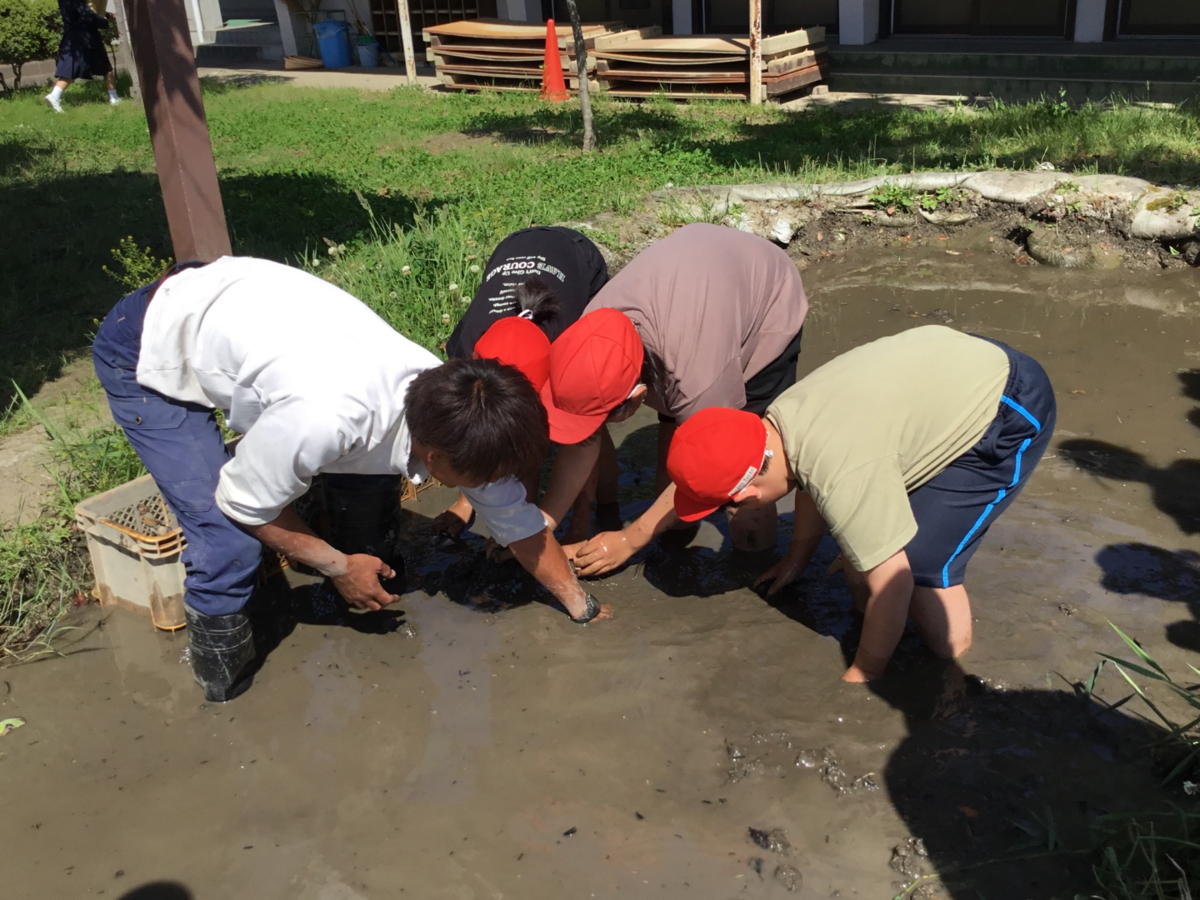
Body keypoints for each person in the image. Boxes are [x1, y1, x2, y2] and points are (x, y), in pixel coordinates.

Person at [92, 257, 599, 703]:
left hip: (241, 308)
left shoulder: (454, 403)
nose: (489, 488)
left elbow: (518, 520)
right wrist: (335, 566)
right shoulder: (325, 418)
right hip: (151, 340)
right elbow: (241, 504)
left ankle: (333, 535)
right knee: (226, 542)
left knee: (366, 501)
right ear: (436, 456)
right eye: (481, 480)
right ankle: (223, 691)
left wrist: (582, 609)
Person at [663, 325, 1056, 682]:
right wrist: (798, 558)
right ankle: (884, 632)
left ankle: (955, 665)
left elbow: (894, 584)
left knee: (920, 566)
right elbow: (810, 479)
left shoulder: (841, 471)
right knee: (861, 542)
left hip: (1010, 404)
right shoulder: (781, 424)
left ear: (746, 499)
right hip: (953, 367)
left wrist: (864, 673)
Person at [541, 223, 809, 574]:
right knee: (673, 500)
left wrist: (630, 539)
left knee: (741, 482)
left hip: (765, 302)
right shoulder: (591, 335)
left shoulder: (698, 376)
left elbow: (721, 462)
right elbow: (581, 442)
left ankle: (755, 571)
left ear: (638, 396)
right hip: (692, 286)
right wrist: (540, 526)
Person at [438, 226, 618, 543]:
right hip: (512, 245)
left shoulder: (572, 353)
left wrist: (576, 531)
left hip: (576, 256)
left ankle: (605, 509)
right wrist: (473, 500)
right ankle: (473, 503)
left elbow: (586, 433)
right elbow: (475, 432)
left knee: (587, 418)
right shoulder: (464, 351)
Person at [44, 0, 119, 113]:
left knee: (103, 67)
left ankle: (114, 98)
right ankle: (54, 96)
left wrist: (106, 15)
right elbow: (86, 13)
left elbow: (86, 9)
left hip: (75, 35)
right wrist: (104, 22)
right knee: (76, 70)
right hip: (83, 36)